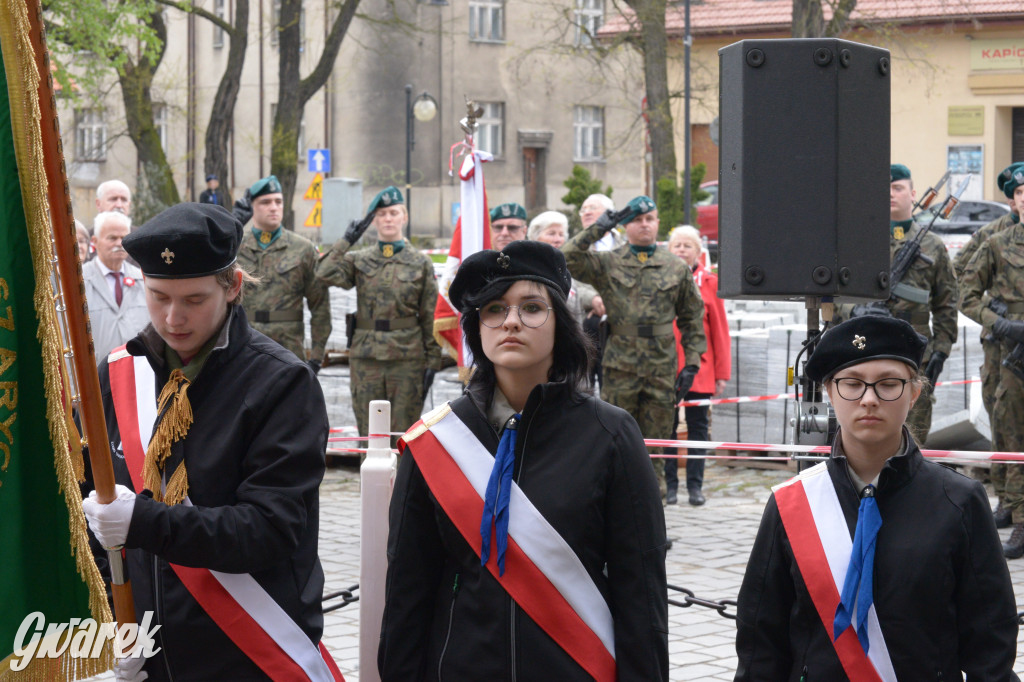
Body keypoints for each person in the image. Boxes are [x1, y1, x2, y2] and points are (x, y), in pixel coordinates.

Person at [379, 240, 668, 681]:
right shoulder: (434, 439)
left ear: (560, 324)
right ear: (477, 327)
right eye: (494, 309)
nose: (510, 321)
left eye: (531, 307)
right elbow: (407, 592)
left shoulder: (610, 434)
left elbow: (640, 592)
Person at [80, 203, 336, 680]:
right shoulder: (117, 375)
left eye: (194, 299)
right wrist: (104, 627)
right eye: (158, 297)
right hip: (145, 648)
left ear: (233, 286)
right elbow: (87, 506)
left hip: (245, 650)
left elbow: (270, 529)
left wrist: (144, 521)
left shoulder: (282, 384)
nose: (173, 317)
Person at [735, 315, 1019, 680]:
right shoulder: (792, 503)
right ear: (829, 392)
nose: (869, 399)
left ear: (915, 392)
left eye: (889, 384)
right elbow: (761, 643)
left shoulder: (959, 501)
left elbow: (990, 646)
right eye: (852, 384)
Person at [562, 196, 705, 492]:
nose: (644, 225)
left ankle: (655, 516)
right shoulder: (608, 263)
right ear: (626, 225)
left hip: (661, 369)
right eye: (637, 220)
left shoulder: (675, 268)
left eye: (650, 219)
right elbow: (567, 257)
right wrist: (599, 228)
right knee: (615, 441)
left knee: (655, 446)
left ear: (657, 223)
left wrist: (691, 363)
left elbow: (692, 318)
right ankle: (618, 513)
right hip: (620, 368)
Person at [836, 164, 958, 445]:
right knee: (861, 433)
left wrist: (941, 349)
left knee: (912, 435)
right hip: (863, 349)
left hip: (914, 355)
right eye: (885, 188)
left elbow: (946, 305)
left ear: (913, 194)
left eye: (898, 188)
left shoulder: (932, 245)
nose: (891, 194)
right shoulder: (859, 242)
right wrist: (854, 310)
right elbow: (834, 296)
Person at [316, 185, 442, 440]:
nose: (387, 219)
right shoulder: (359, 259)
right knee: (370, 432)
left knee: (405, 434)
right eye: (381, 214)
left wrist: (433, 361)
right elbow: (323, 273)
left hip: (407, 358)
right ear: (373, 220)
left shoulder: (420, 262)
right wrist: (346, 241)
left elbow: (430, 314)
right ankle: (370, 481)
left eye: (394, 213)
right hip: (366, 358)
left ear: (404, 217)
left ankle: (403, 481)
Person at [959, 164, 1024, 558]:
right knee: (1010, 429)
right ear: (1013, 199)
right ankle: (1017, 513)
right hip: (1010, 351)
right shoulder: (997, 241)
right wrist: (998, 320)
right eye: (1021, 193)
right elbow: (963, 284)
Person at [237, 175, 331, 371]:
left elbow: (320, 306)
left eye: (278, 201)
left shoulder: (303, 249)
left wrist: (315, 357)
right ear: (251, 206)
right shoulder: (236, 247)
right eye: (265, 202)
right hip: (243, 346)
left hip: (288, 349)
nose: (274, 207)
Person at [665, 226, 731, 506]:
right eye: (677, 245)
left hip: (701, 370)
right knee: (666, 429)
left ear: (697, 251)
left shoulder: (710, 282)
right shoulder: (660, 280)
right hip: (665, 368)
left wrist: (722, 373)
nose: (681, 250)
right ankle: (669, 487)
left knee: (698, 428)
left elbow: (720, 330)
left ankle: (695, 486)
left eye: (687, 245)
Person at [82, 211, 150, 359]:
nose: (119, 244)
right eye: (112, 238)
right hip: (96, 375)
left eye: (124, 238)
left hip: (136, 372)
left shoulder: (143, 279)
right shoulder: (80, 281)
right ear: (94, 241)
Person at [528, 210, 597, 324]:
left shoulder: (566, 270)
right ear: (535, 238)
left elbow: (577, 320)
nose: (558, 239)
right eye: (551, 233)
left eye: (561, 234)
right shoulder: (528, 269)